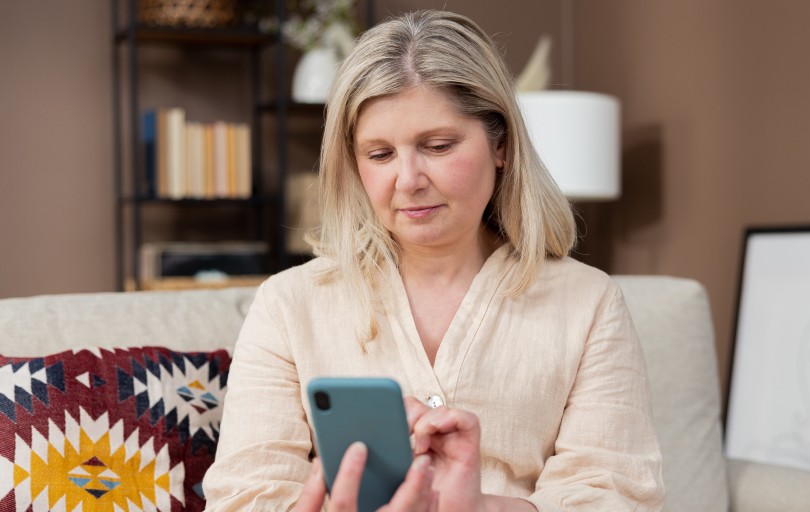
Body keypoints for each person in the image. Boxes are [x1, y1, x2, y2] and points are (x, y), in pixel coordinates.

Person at [202, 9, 664, 511]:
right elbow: (244, 497)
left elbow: (616, 497)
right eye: (379, 155)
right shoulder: (289, 306)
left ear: (501, 145)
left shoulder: (588, 303)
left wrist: (478, 508)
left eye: (438, 146)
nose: (408, 179)